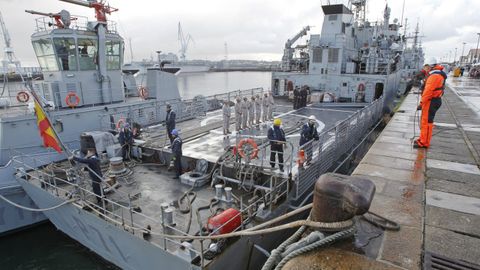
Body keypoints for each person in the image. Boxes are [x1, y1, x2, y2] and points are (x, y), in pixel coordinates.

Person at [414, 61, 447, 149]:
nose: (424, 69)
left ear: (429, 66)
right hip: (432, 101)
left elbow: (428, 91)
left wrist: (421, 103)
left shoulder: (434, 76)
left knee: (427, 123)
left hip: (430, 101)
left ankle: (424, 143)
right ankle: (422, 139)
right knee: (425, 122)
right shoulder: (436, 74)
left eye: (425, 67)